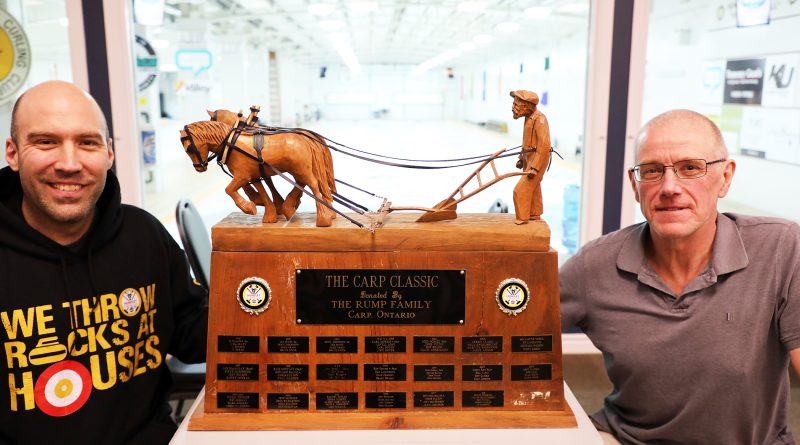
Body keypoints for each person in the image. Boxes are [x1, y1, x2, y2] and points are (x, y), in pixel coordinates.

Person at [560, 109, 800, 444]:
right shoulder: (594, 265)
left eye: (690, 168)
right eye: (652, 171)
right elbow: (512, 328)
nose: (669, 187)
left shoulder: (782, 249)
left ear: (726, 177)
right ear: (635, 184)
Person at [0, 81, 208, 444]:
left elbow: (193, 332)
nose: (68, 163)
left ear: (109, 153)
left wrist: (259, 295)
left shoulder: (142, 235)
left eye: (87, 142)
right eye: (46, 142)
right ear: (13, 153)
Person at [510, 90, 551, 225]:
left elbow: (544, 145)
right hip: (529, 158)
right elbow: (527, 141)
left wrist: (534, 167)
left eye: (516, 104)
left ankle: (522, 218)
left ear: (527, 105)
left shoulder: (540, 120)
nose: (513, 107)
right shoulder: (529, 118)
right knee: (534, 187)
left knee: (521, 190)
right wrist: (522, 159)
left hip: (538, 160)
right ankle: (534, 213)